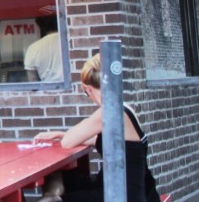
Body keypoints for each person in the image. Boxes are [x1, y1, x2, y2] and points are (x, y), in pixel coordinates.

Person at [32, 54, 161, 202]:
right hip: (132, 189)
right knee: (63, 176)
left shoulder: (108, 111)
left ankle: (52, 198)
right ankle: (53, 197)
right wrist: (62, 134)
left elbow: (67, 142)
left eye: (86, 93)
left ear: (87, 88)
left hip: (123, 195)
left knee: (60, 187)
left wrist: (65, 136)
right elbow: (110, 142)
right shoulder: (124, 108)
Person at [25, 15, 63, 83]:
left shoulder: (32, 48)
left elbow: (33, 83)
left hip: (47, 91)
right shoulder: (71, 43)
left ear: (41, 26)